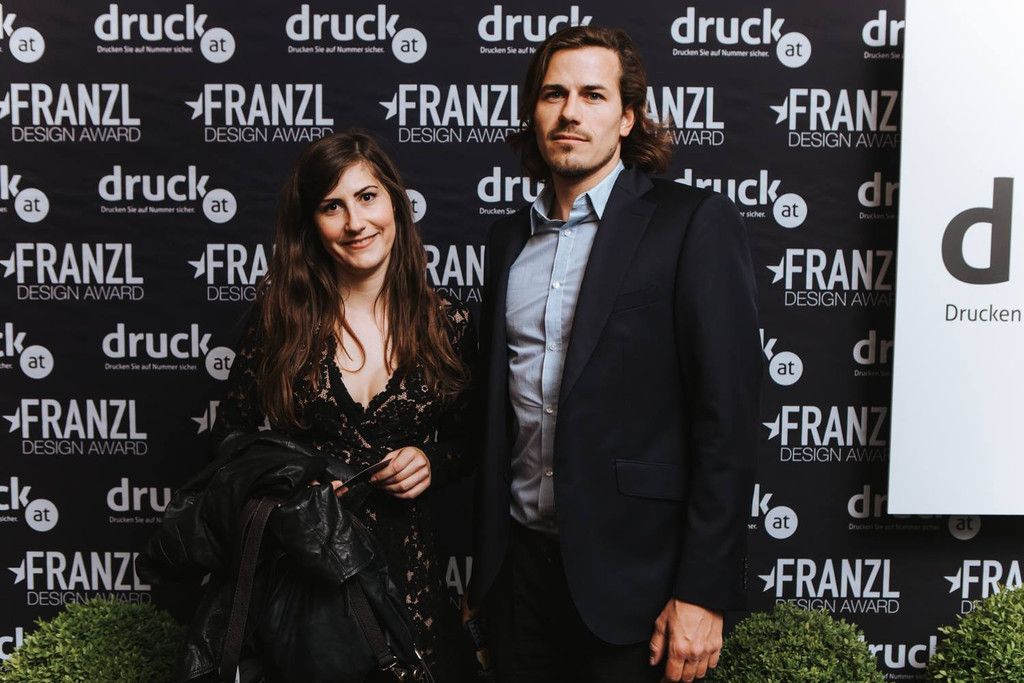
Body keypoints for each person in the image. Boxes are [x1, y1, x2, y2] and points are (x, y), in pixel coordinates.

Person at [469, 26, 762, 683]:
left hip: (640, 585)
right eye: (553, 94)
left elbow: (728, 419)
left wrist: (703, 590)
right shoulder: (506, 240)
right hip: (519, 578)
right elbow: (495, 414)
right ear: (534, 113)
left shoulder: (692, 222)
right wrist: (487, 573)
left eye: (592, 95)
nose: (570, 112)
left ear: (627, 117)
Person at [212, 130, 476, 679]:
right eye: (332, 206)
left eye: (367, 196)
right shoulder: (281, 321)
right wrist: (292, 486)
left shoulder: (447, 322)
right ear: (311, 223)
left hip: (412, 583)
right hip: (309, 584)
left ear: (395, 202)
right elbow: (232, 442)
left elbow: (472, 441)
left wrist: (431, 460)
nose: (356, 222)